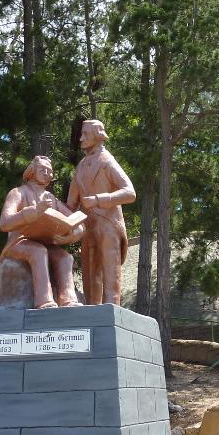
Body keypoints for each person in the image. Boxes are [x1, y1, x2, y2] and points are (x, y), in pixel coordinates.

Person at [0, 156, 84, 308]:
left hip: (45, 240)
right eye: (42, 170)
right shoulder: (18, 193)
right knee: (38, 251)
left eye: (50, 171)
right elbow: (4, 223)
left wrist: (71, 235)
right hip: (19, 242)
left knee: (65, 257)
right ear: (32, 171)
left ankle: (68, 300)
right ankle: (44, 301)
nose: (47, 173)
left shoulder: (51, 198)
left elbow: (77, 221)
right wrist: (33, 211)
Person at [68, 119, 136, 305]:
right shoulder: (81, 166)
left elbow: (130, 192)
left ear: (97, 136)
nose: (81, 138)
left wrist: (99, 200)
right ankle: (91, 315)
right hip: (87, 227)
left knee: (110, 274)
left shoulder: (107, 161)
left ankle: (112, 310)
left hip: (108, 224)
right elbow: (70, 205)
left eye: (85, 134)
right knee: (90, 276)